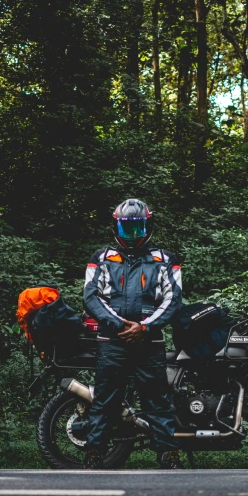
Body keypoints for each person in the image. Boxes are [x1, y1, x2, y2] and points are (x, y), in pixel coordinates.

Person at [81, 199, 183, 469]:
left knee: (158, 400)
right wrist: (122, 327)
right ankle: (94, 453)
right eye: (127, 229)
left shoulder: (165, 259)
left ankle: (168, 454)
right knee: (104, 399)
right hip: (112, 342)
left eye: (138, 228)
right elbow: (91, 298)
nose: (133, 234)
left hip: (150, 342)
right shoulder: (101, 258)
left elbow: (173, 300)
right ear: (116, 227)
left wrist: (145, 327)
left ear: (148, 226)